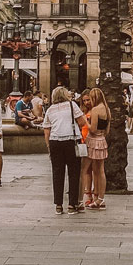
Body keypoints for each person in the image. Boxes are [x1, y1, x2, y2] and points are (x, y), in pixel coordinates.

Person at [42, 86, 87, 215]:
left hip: (55, 142)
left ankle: (58, 205)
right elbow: (82, 122)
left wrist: (49, 147)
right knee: (73, 173)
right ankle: (72, 204)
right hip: (71, 141)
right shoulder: (72, 105)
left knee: (57, 173)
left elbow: (46, 130)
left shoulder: (50, 109)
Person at [84, 86, 110, 210]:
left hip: (93, 141)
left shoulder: (95, 110)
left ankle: (87, 196)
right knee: (101, 171)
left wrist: (86, 121)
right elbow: (107, 130)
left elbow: (93, 129)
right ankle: (100, 198)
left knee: (85, 169)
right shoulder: (106, 109)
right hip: (102, 140)